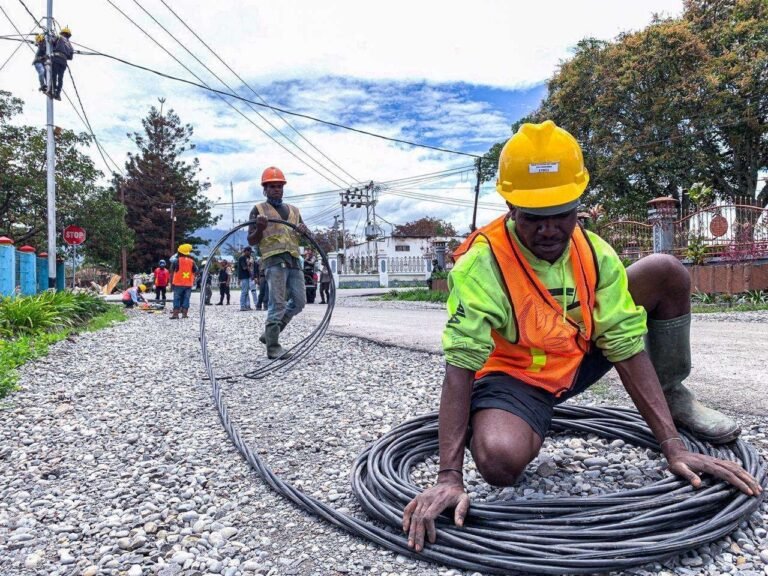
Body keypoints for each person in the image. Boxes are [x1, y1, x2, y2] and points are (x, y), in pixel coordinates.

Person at [402, 120, 761, 553]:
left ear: (578, 207)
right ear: (512, 209)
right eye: (535, 218)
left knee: (664, 270)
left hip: (576, 358)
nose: (549, 230)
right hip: (518, 378)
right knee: (499, 462)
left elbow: (625, 344)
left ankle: (671, 396)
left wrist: (673, 447)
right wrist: (449, 477)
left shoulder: (594, 252)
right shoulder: (483, 265)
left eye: (562, 216)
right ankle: (515, 417)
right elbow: (460, 368)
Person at [247, 166, 311, 359]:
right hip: (274, 261)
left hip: (293, 260)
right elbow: (251, 240)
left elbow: (306, 236)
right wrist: (259, 228)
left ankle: (269, 334)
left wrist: (304, 231)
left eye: (279, 186)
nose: (276, 189)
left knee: (299, 302)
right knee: (277, 303)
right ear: (264, 189)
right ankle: (273, 347)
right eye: (272, 186)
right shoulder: (258, 210)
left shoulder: (294, 210)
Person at [169, 243, 197, 319]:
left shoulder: (176, 261)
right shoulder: (192, 261)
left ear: (179, 252)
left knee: (177, 298)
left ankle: (175, 314)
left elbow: (171, 270)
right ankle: (184, 314)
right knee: (186, 298)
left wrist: (170, 283)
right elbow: (195, 271)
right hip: (188, 284)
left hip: (178, 283)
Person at [49, 26, 73, 101]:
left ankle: (52, 90)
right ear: (68, 35)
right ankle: (58, 93)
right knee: (60, 78)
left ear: (62, 33)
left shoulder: (59, 37)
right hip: (63, 61)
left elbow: (51, 42)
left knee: (53, 75)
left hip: (56, 58)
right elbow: (70, 57)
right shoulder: (70, 45)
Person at [237, 246, 254, 311]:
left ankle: (247, 305)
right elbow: (244, 267)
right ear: (246, 251)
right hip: (244, 276)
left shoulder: (247, 258)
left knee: (246, 291)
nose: (250, 253)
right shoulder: (242, 258)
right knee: (244, 292)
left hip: (247, 276)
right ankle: (242, 306)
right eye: (249, 252)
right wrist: (249, 263)